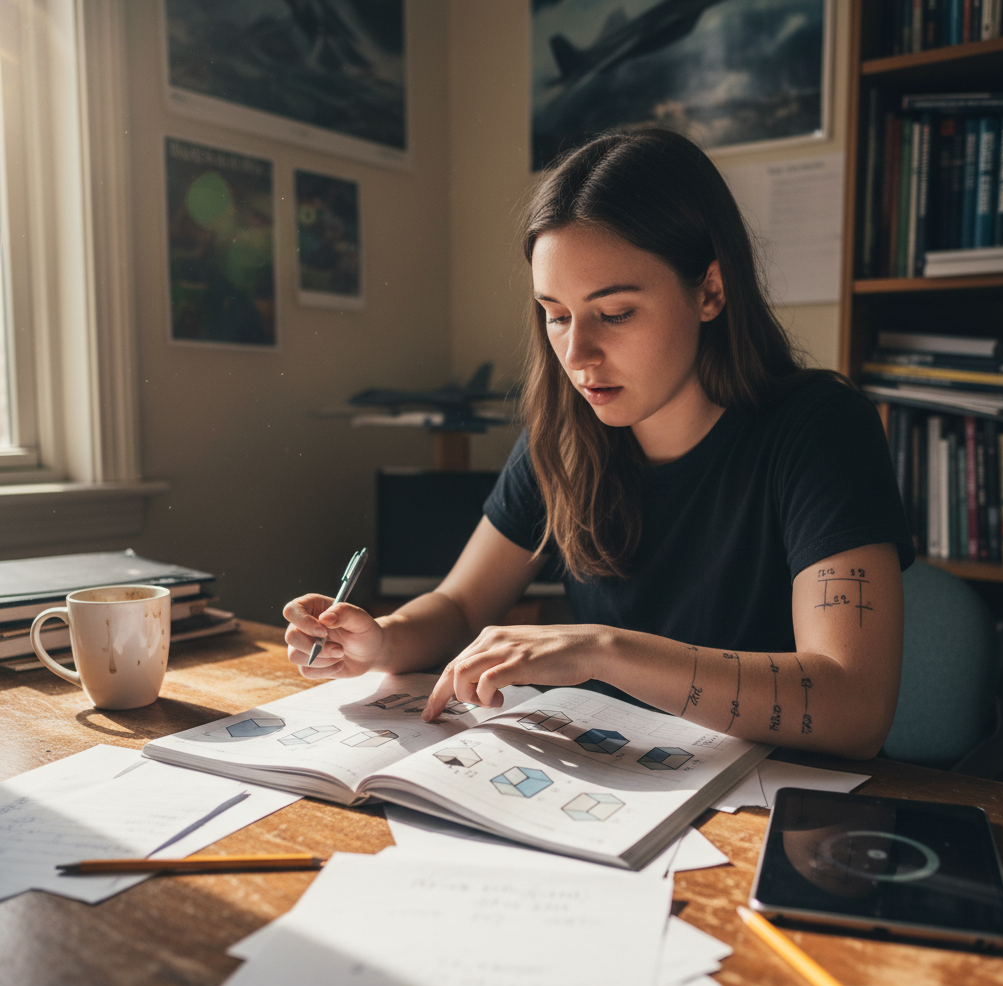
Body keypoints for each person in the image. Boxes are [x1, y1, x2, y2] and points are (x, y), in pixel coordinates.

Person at [284, 127, 914, 760]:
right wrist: (382, 641)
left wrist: (599, 649)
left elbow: (854, 706)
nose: (577, 355)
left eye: (614, 313)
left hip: (779, 808)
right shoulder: (563, 435)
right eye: (556, 315)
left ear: (711, 291)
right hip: (618, 782)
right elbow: (460, 604)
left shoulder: (823, 430)